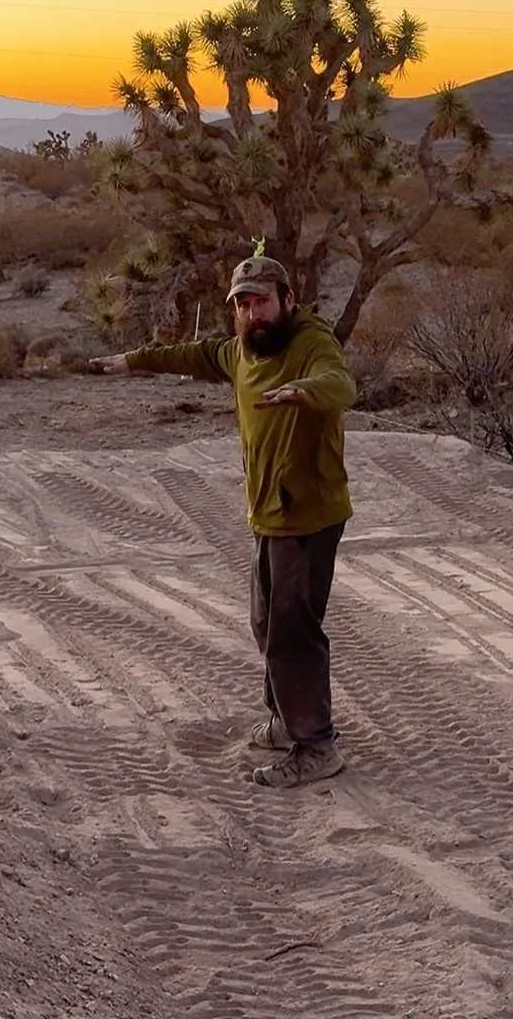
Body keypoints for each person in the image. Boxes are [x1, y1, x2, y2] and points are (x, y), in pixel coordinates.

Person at [89, 254, 357, 789]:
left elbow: (339, 382)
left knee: (292, 633)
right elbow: (192, 353)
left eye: (262, 300)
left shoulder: (310, 342)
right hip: (269, 511)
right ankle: (287, 720)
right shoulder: (241, 350)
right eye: (243, 304)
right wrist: (133, 361)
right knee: (266, 624)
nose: (253, 312)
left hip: (307, 512)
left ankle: (316, 745)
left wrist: (303, 392)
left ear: (286, 299)